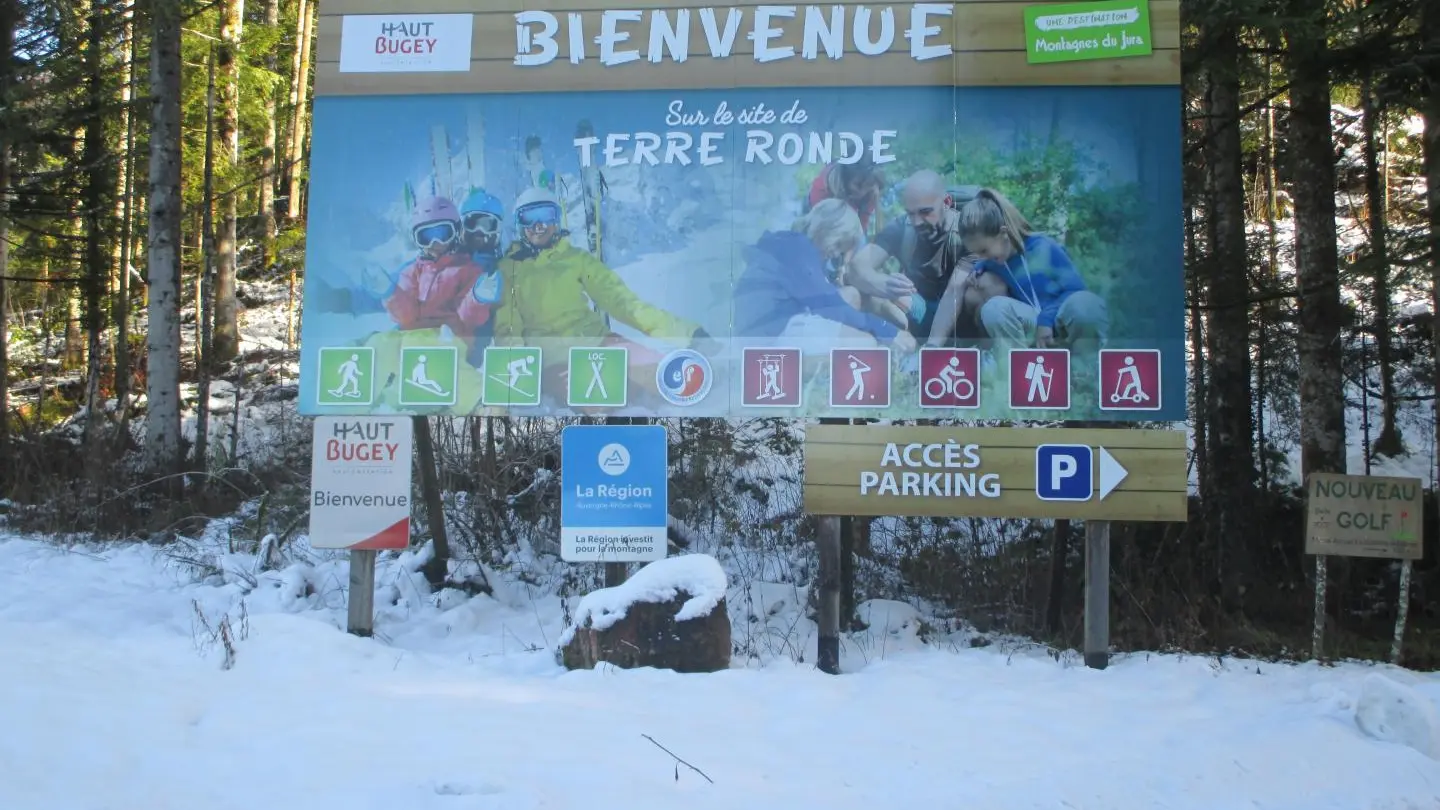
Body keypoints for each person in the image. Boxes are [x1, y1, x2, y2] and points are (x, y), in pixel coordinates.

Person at [491, 187, 717, 406]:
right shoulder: (509, 269)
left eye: (546, 215)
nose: (538, 225)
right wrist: (518, 375)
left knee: (666, 378)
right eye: (529, 217)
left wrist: (685, 334)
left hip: (598, 341)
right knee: (605, 398)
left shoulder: (575, 259)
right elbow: (508, 327)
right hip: (553, 358)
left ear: (556, 220)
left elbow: (622, 302)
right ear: (520, 224)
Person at [733, 198, 917, 358]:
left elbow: (833, 302)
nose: (834, 253)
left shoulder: (791, 245)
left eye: (841, 250)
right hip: (768, 337)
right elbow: (831, 307)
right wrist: (888, 331)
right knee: (864, 345)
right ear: (826, 227)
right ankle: (805, 373)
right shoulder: (798, 250)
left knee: (851, 296)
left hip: (766, 329)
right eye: (837, 244)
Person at [845, 170, 1007, 345]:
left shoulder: (970, 229)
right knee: (859, 292)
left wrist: (933, 346)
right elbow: (856, 267)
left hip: (960, 313)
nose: (917, 222)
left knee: (990, 286)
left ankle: (989, 356)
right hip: (918, 310)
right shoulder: (901, 228)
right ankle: (893, 350)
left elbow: (954, 291)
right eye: (911, 213)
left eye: (925, 212)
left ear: (946, 202)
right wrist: (884, 284)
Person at [955, 187, 1109, 364]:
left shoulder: (1043, 246)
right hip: (1032, 327)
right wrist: (979, 268)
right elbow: (984, 262)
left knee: (1085, 304)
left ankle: (1085, 370)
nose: (981, 258)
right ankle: (1018, 372)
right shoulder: (993, 260)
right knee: (994, 308)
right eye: (976, 254)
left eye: (983, 251)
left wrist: (1046, 320)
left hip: (1059, 321)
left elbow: (1075, 290)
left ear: (1004, 234)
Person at [385, 197, 493, 344]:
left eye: (442, 234)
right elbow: (406, 316)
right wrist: (390, 293)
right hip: (413, 339)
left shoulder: (468, 270)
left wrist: (477, 299)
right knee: (379, 342)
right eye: (426, 237)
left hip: (453, 339)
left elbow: (468, 319)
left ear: (456, 231)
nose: (435, 242)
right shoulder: (411, 272)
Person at [454, 189, 506, 366]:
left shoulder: (502, 267)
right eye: (473, 223)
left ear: (497, 229)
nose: (479, 231)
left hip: (476, 353)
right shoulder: (447, 261)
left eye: (487, 224)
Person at [805, 154, 885, 235]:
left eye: (869, 185)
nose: (862, 192)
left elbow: (860, 231)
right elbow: (818, 230)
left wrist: (877, 203)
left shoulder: (870, 192)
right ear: (846, 178)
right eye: (858, 185)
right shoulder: (822, 188)